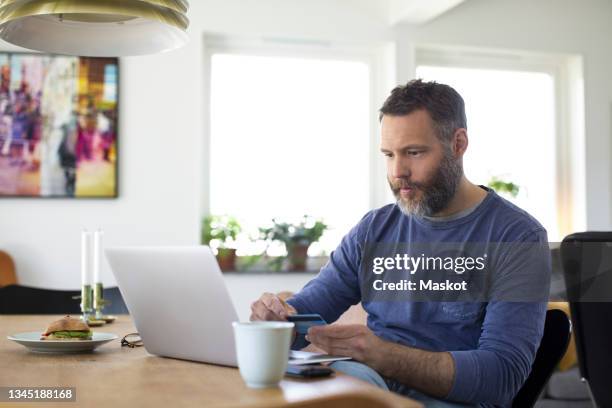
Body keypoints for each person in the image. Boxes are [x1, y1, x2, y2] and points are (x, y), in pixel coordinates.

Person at [250, 79, 551, 407]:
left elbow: (501, 378)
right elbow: (307, 312)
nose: (397, 171)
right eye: (389, 154)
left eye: (414, 152)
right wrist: (277, 319)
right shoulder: (374, 228)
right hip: (369, 388)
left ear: (458, 143)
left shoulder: (517, 237)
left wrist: (381, 355)